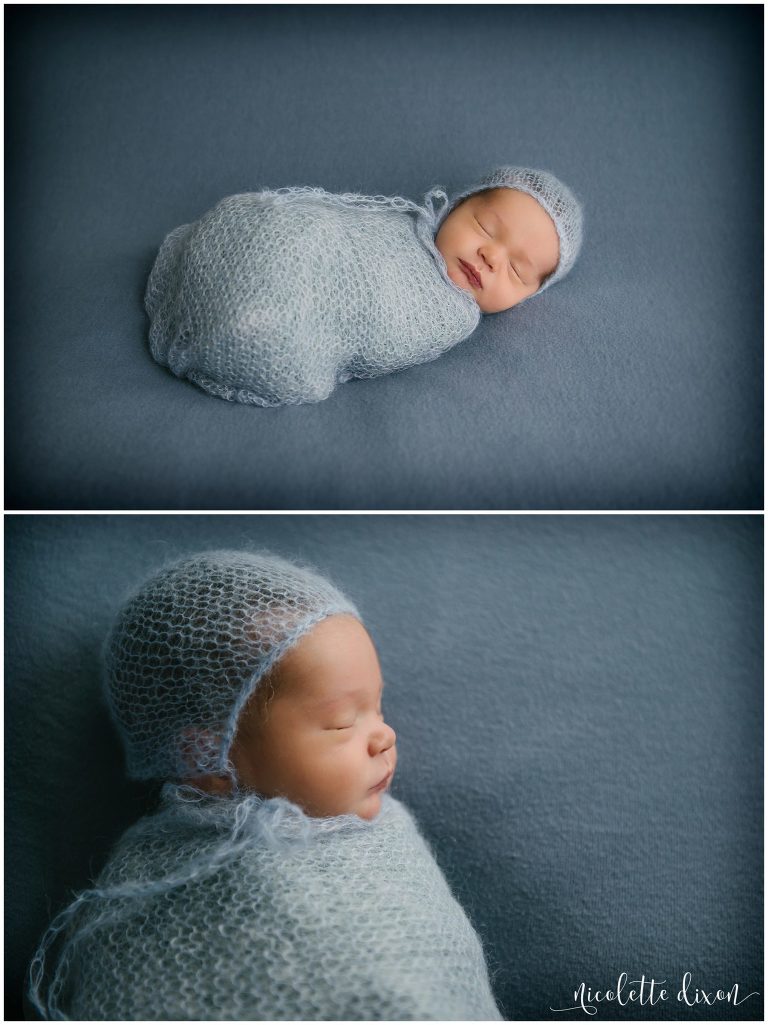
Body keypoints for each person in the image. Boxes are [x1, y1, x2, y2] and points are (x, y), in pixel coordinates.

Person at [28, 550, 502, 1021]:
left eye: (377, 708)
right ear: (207, 759)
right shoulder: (156, 881)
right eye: (341, 723)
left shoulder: (386, 835)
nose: (385, 736)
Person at [146, 166, 583, 406]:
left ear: (530, 295)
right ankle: (226, 275)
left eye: (517, 271)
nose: (491, 257)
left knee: (283, 325)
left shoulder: (449, 317)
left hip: (306, 311)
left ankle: (243, 323)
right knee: (292, 229)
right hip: (300, 247)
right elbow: (339, 228)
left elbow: (383, 331)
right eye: (485, 227)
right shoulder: (402, 222)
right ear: (454, 207)